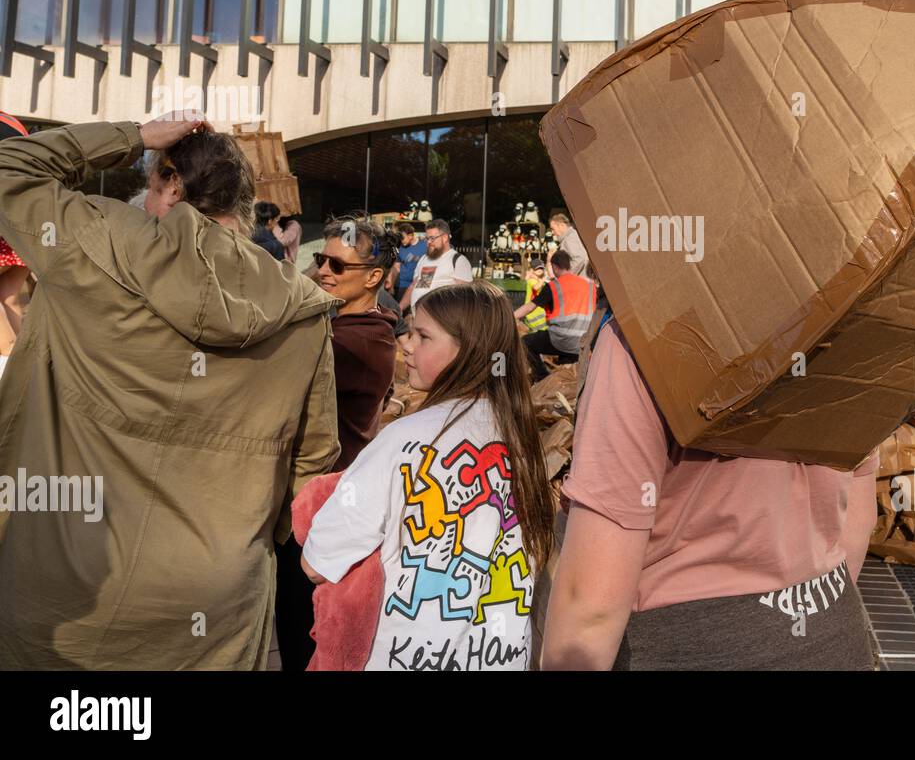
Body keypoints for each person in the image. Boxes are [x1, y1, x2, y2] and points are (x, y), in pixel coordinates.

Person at [0, 113, 340, 669]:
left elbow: (10, 164)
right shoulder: (303, 309)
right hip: (214, 599)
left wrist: (135, 135)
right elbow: (313, 460)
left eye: (153, 182)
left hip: (66, 579)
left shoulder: (94, 241)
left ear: (173, 185)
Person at [541, 312, 880, 670]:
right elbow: (858, 519)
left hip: (694, 645)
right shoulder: (853, 321)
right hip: (831, 629)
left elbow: (591, 611)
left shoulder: (644, 332)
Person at [301, 281, 554, 671]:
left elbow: (318, 562)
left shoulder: (405, 439)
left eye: (423, 335)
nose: (406, 344)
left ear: (466, 350)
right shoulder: (524, 442)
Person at [277, 214, 401, 671]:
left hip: (324, 505)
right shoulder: (335, 323)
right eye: (320, 259)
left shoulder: (364, 339)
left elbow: (285, 364)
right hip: (311, 498)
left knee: (305, 633)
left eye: (337, 265)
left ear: (373, 278)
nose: (324, 270)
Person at [514, 250, 597, 381]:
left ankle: (542, 378)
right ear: (569, 265)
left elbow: (530, 307)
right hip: (582, 343)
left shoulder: (554, 286)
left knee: (525, 342)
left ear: (555, 267)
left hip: (560, 340)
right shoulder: (590, 286)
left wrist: (510, 316)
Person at [0, 111, 31, 383]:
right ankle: (18, 360)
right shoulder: (12, 125)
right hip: (19, 230)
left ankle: (8, 358)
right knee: (10, 298)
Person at [400, 219, 472, 312]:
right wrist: (400, 308)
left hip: (442, 322)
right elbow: (417, 286)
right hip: (419, 319)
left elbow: (465, 298)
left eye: (432, 238)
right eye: (427, 238)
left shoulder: (458, 261)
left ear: (445, 237)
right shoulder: (424, 259)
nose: (428, 242)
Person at [387, 222, 426, 303]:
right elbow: (396, 268)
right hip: (402, 286)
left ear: (411, 235)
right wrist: (391, 285)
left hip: (419, 285)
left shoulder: (425, 245)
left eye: (403, 238)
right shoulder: (400, 248)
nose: (401, 241)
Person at [548, 211, 591, 279]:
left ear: (561, 226)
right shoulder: (570, 236)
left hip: (581, 282)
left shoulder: (569, 239)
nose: (552, 232)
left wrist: (566, 277)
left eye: (553, 229)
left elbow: (579, 258)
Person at [521, 259, 549, 334]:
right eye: (536, 268)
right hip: (533, 313)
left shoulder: (539, 280)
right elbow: (536, 287)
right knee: (540, 334)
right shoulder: (532, 281)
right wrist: (543, 280)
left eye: (541, 268)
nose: (539, 270)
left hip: (538, 313)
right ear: (532, 270)